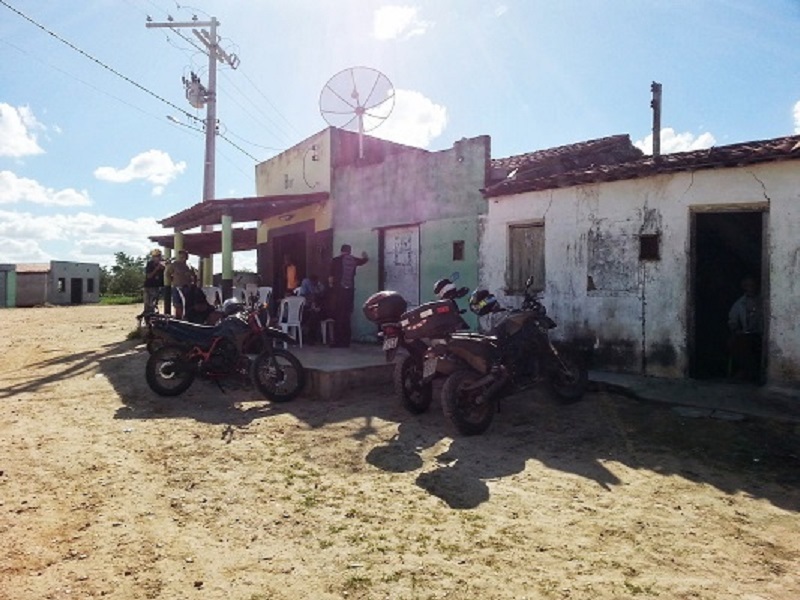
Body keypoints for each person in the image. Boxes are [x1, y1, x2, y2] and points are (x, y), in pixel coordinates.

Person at [329, 244, 368, 347]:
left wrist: (331, 289)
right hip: (349, 292)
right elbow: (364, 261)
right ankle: (346, 342)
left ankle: (337, 342)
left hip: (339, 292)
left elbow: (331, 278)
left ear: (341, 251)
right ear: (349, 251)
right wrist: (365, 256)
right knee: (347, 316)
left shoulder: (336, 260)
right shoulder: (354, 260)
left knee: (338, 317)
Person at [727, 276, 763, 382]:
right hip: (747, 334)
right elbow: (732, 321)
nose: (750, 288)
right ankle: (748, 371)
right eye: (747, 286)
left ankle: (750, 373)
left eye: (752, 286)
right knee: (735, 343)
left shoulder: (764, 300)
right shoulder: (739, 304)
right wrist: (736, 329)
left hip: (761, 334)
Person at [165, 249, 196, 320]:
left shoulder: (189, 266)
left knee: (187, 304)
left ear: (187, 257)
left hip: (187, 288)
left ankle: (186, 318)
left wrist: (192, 283)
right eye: (180, 256)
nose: (182, 258)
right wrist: (172, 281)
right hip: (177, 287)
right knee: (177, 305)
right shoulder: (174, 265)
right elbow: (167, 273)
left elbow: (194, 275)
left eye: (184, 256)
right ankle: (178, 319)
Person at [298, 274, 326, 344]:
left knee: (314, 317)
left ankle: (311, 337)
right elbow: (304, 296)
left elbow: (322, 296)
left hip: (319, 308)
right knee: (308, 315)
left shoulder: (319, 287)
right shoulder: (306, 284)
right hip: (307, 307)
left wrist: (317, 306)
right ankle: (305, 336)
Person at [143, 248, 166, 314]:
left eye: (158, 256)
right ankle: (146, 319)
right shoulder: (150, 264)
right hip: (148, 286)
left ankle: (152, 319)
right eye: (154, 256)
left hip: (156, 287)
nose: (156, 258)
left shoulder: (163, 264)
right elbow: (149, 276)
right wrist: (157, 268)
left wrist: (164, 267)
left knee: (153, 305)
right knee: (147, 305)